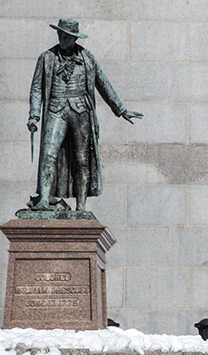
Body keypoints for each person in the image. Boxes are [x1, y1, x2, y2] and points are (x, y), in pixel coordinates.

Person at [27, 19, 143, 213]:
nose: (63, 40)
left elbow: (103, 84)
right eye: (60, 36)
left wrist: (121, 109)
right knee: (49, 153)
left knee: (82, 159)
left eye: (67, 37)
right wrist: (34, 115)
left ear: (74, 38)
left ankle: (81, 206)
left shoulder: (87, 58)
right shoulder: (47, 57)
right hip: (56, 109)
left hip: (81, 111)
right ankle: (44, 199)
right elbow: (36, 87)